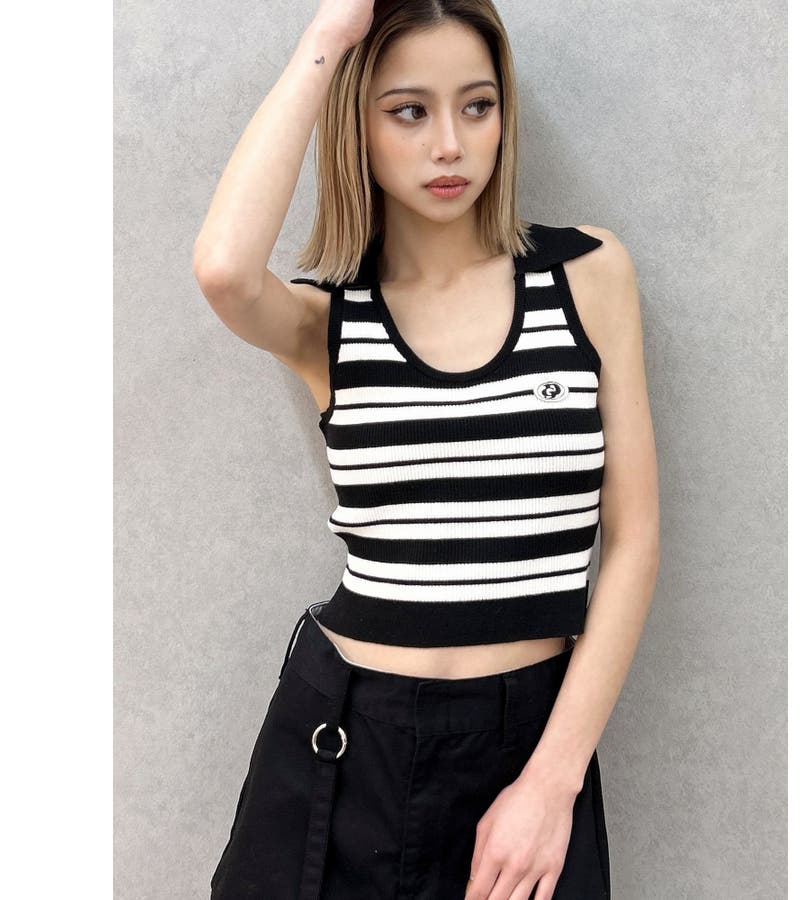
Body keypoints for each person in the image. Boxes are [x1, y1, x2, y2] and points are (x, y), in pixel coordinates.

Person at [193, 1, 659, 897]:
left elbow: (633, 542)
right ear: (359, 125)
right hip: (343, 742)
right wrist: (330, 36)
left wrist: (551, 783)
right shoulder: (330, 322)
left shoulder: (588, 276)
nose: (450, 144)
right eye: (408, 110)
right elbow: (223, 270)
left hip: (528, 742)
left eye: (476, 106)